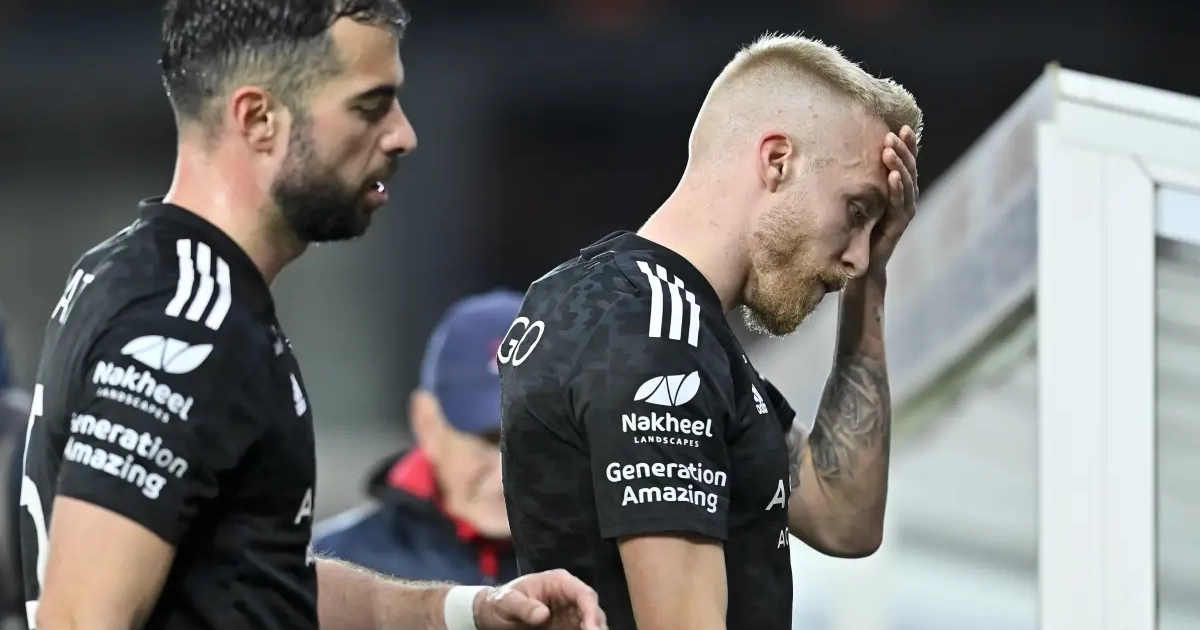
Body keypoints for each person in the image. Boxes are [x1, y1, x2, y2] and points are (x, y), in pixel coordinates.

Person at [16, 2, 607, 630]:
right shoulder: (181, 319)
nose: (403, 134)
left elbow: (265, 581)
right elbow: (79, 619)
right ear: (259, 119)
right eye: (370, 106)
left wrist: (468, 609)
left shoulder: (174, 287)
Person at [498, 33, 922, 630]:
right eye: (856, 212)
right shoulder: (655, 332)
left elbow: (843, 517)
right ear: (778, 161)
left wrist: (871, 279)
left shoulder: (654, 316)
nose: (855, 256)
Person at [314, 290, 521, 585]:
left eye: (534, 439)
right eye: (486, 438)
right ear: (427, 424)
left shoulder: (595, 560)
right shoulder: (331, 570)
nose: (505, 474)